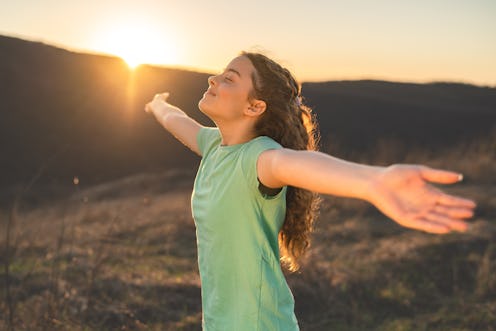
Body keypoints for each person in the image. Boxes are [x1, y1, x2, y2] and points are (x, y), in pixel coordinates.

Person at [145, 52, 476, 331]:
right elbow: (175, 119)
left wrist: (372, 181)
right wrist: (158, 105)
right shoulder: (214, 145)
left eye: (229, 78)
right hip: (219, 319)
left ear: (254, 107)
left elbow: (299, 164)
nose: (213, 80)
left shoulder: (261, 157)